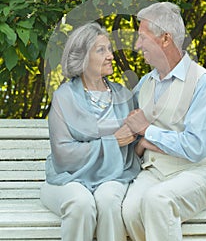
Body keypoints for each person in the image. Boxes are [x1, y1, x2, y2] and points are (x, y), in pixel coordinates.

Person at [122, 2, 206, 241]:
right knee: (129, 211)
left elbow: (195, 147)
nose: (137, 46)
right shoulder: (145, 83)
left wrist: (148, 132)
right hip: (154, 172)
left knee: (157, 201)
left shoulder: (204, 83)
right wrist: (142, 141)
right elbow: (132, 132)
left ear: (165, 39)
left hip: (197, 174)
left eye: (142, 38)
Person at [40, 22, 141, 241]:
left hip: (115, 175)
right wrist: (112, 142)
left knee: (109, 202)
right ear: (82, 58)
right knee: (80, 203)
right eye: (101, 50)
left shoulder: (124, 95)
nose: (111, 56)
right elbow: (63, 155)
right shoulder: (63, 97)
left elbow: (136, 146)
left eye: (110, 49)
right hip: (67, 178)